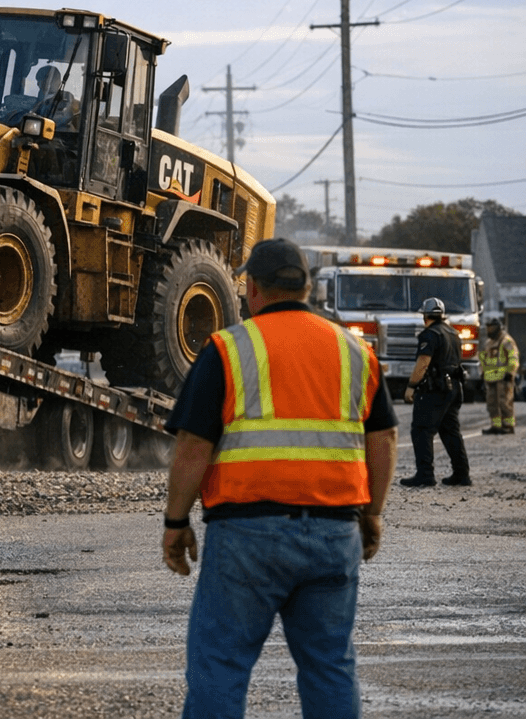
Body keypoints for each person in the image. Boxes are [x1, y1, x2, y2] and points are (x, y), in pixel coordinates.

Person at [161, 236, 398, 719]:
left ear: (253, 290)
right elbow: (385, 439)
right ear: (308, 286)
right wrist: (372, 513)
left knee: (221, 666)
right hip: (334, 532)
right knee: (329, 665)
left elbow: (193, 447)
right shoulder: (354, 350)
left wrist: (175, 521)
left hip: (246, 535)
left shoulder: (227, 349)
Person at [399, 297, 470, 487]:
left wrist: (411, 386)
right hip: (454, 389)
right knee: (450, 431)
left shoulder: (429, 335)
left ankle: (425, 474)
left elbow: (423, 362)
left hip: (435, 389)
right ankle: (462, 473)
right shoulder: (453, 333)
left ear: (425, 316)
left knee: (422, 430)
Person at [480, 314, 519, 435]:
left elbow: (513, 358)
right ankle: (496, 426)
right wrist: (482, 373)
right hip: (491, 378)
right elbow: (483, 359)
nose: (489, 330)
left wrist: (510, 372)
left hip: (503, 378)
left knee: (505, 402)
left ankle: (508, 426)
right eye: (488, 327)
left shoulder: (506, 341)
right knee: (492, 403)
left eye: (491, 327)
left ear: (498, 327)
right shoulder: (489, 343)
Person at [31, 64, 80, 130]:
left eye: (46, 79)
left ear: (58, 81)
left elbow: (62, 117)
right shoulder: (40, 98)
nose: (38, 83)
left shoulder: (66, 98)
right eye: (39, 80)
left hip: (60, 134)